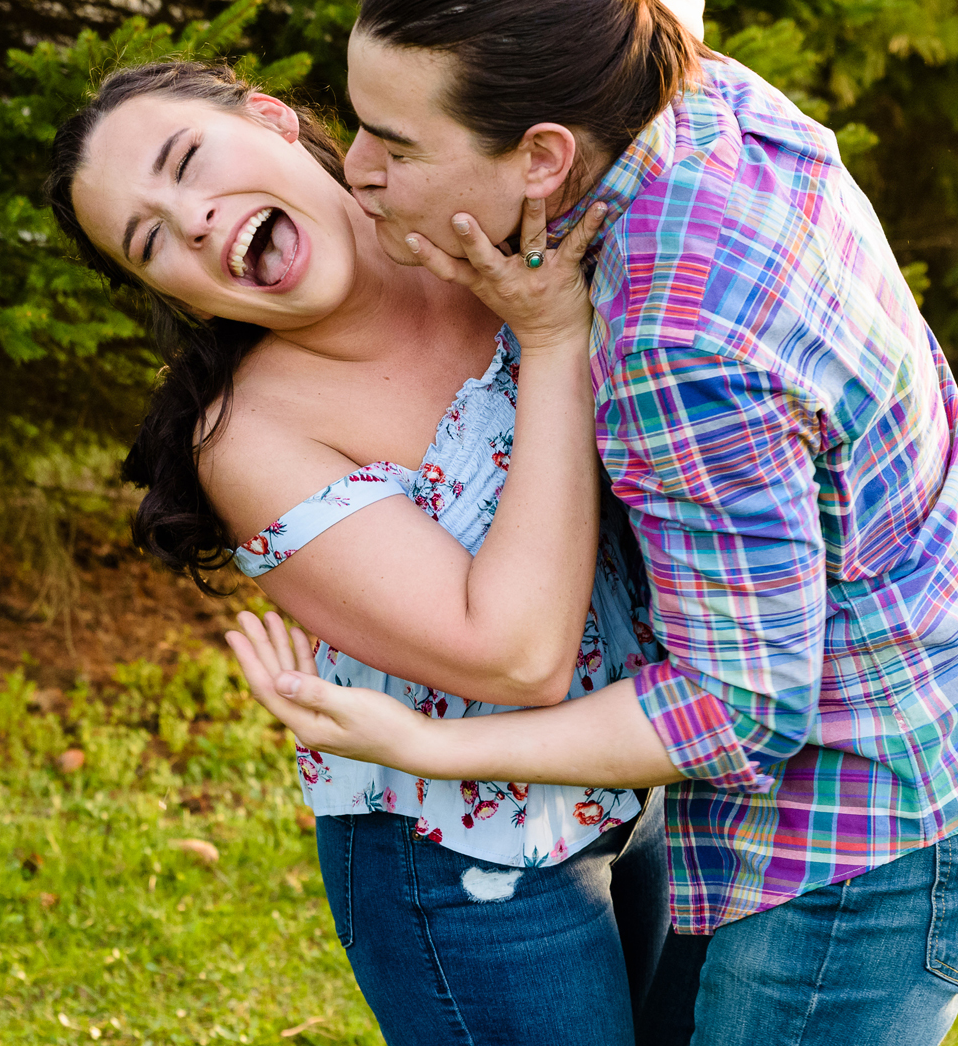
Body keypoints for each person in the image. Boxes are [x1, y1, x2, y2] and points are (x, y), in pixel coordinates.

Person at [227, 0, 958, 1046]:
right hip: (939, 698)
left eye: (395, 145)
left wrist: (428, 745)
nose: (361, 173)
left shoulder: (672, 340)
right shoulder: (683, 83)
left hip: (880, 810)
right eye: (356, 126)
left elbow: (736, 712)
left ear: (542, 156)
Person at [45, 60, 680, 1045]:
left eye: (188, 164)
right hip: (461, 858)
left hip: (643, 779)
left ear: (268, 117)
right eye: (151, 241)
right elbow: (513, 654)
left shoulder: (476, 227)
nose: (196, 223)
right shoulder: (252, 443)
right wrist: (552, 344)